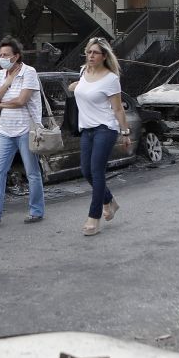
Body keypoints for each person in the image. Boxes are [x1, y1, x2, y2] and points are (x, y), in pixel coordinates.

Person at [0, 36, 44, 225]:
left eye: (6, 55)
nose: (2, 58)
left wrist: (2, 104)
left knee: (32, 172)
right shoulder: (0, 76)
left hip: (26, 129)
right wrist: (7, 83)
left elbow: (21, 100)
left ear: (16, 56)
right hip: (5, 130)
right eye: (0, 55)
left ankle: (36, 211)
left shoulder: (29, 72)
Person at [69, 37, 132, 236]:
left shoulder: (111, 79)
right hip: (86, 129)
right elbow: (81, 89)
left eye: (95, 52)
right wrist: (74, 86)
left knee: (97, 171)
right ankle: (109, 200)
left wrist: (125, 133)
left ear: (104, 56)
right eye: (89, 52)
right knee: (86, 171)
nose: (91, 56)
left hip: (105, 129)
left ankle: (94, 218)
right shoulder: (83, 72)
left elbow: (118, 109)